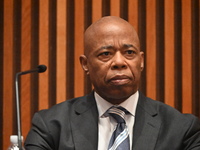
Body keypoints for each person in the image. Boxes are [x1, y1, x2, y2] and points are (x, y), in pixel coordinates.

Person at [25, 16, 200, 150]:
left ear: (141, 61)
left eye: (129, 52)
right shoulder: (51, 126)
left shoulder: (181, 129)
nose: (119, 62)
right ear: (85, 64)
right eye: (106, 54)